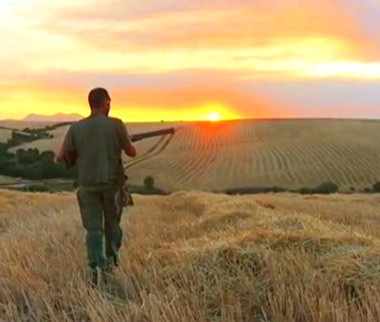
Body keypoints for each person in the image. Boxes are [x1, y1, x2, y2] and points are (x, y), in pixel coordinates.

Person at [56, 87, 137, 285]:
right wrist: (127, 141)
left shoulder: (76, 128)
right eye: (110, 102)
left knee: (93, 231)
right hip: (112, 185)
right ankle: (111, 264)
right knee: (113, 227)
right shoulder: (116, 125)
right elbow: (132, 152)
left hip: (87, 186)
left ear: (90, 103)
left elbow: (60, 157)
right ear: (106, 102)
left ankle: (95, 270)